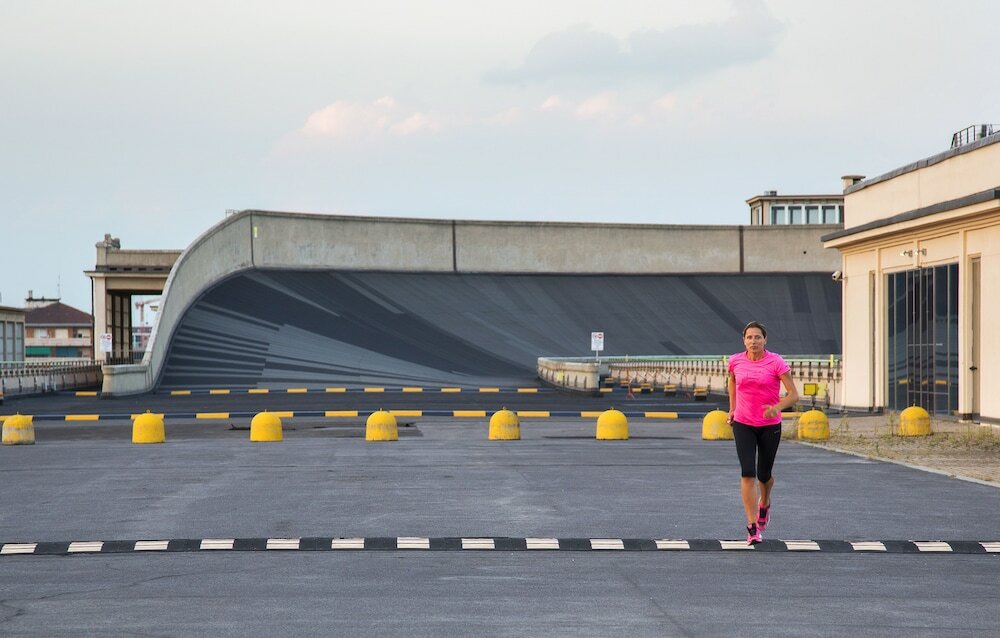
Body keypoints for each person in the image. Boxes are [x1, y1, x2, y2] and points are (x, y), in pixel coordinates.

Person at [727, 321, 799, 545]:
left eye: (758, 337)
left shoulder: (776, 362)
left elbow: (793, 395)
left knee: (764, 475)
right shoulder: (735, 361)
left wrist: (775, 408)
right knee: (747, 471)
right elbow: (732, 381)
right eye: (749, 338)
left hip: (770, 425)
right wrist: (732, 408)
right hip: (743, 422)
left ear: (765, 340)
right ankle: (751, 527)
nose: (753, 341)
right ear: (744, 341)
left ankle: (765, 502)